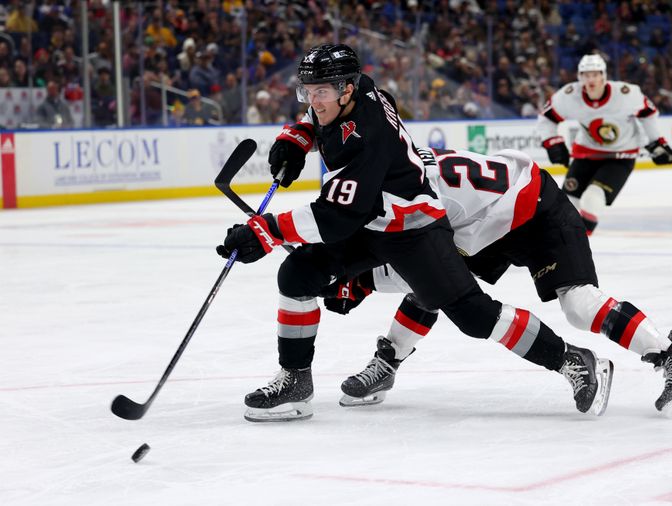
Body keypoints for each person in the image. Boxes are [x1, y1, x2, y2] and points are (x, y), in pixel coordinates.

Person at [216, 44, 613, 422]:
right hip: (370, 218)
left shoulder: (369, 137)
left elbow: (334, 217)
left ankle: (572, 359)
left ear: (346, 90)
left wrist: (264, 231)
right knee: (297, 275)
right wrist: (298, 138)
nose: (313, 100)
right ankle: (296, 382)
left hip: (414, 228)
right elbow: (321, 127)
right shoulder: (362, 89)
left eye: (321, 91)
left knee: (475, 315)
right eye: (308, 90)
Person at [325, 147, 672, 419]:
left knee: (579, 305)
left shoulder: (408, 194)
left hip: (537, 211)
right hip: (488, 222)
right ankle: (388, 362)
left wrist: (360, 281)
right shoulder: (397, 167)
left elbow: (405, 256)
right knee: (433, 281)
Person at [538, 54, 672, 235]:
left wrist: (657, 143)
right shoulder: (569, 96)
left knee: (592, 198)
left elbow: (648, 113)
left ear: (604, 76)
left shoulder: (626, 94)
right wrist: (552, 143)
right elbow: (546, 118)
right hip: (587, 154)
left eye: (595, 75)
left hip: (620, 157)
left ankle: (578, 244)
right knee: (566, 204)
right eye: (586, 75)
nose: (591, 80)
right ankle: (563, 244)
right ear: (580, 78)